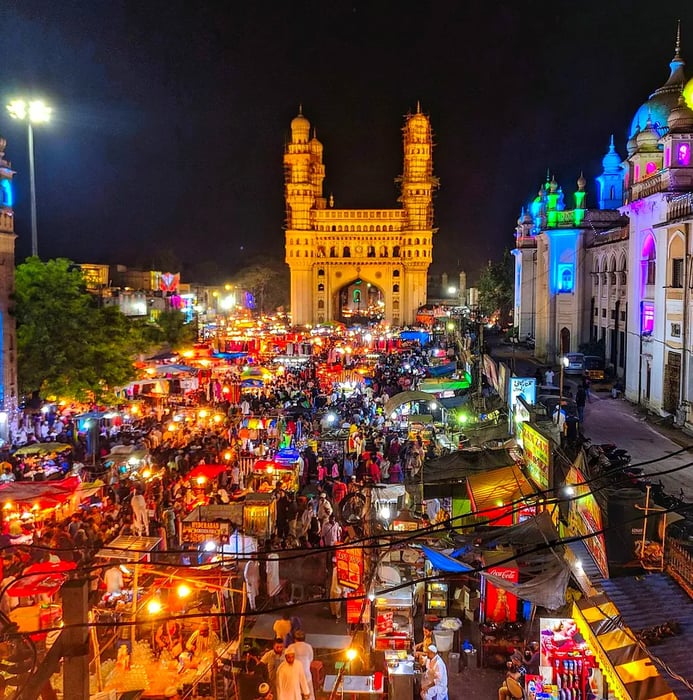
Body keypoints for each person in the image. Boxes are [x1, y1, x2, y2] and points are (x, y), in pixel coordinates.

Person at [291, 630, 315, 700]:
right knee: (309, 696)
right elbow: (311, 659)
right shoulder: (308, 647)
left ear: (294, 639)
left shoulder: (291, 647)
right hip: (307, 676)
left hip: (294, 676)